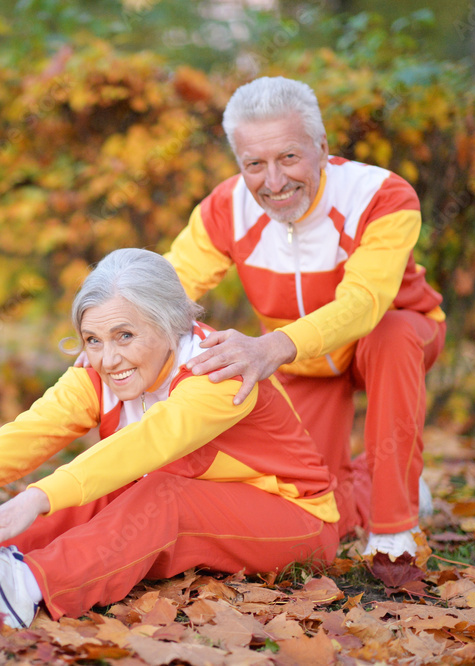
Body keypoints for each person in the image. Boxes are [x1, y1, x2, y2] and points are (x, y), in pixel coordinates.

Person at [0, 248, 339, 627]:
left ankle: (27, 585)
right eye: (93, 340)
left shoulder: (218, 370)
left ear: (172, 325)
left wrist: (38, 496)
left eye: (125, 335)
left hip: (295, 520)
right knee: (109, 483)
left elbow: (148, 443)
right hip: (204, 505)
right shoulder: (97, 371)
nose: (108, 358)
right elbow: (37, 426)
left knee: (154, 488)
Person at [162, 76, 446, 558]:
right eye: (255, 164)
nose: (274, 182)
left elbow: (363, 304)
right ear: (239, 163)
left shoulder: (382, 195)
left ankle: (395, 530)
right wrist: (112, 329)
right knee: (321, 511)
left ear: (322, 146)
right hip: (304, 360)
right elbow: (168, 288)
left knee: (392, 334)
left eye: (289, 157)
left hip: (382, 337)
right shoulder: (225, 208)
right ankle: (377, 484)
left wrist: (269, 347)